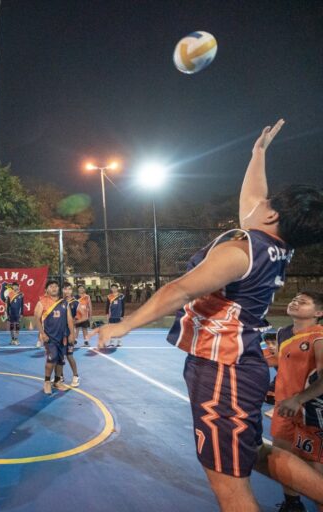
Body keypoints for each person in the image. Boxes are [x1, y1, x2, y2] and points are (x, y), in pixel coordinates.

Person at [93, 120, 323, 511]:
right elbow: (254, 198)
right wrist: (258, 154)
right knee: (253, 451)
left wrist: (124, 323)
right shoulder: (273, 244)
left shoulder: (240, 251)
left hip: (224, 372)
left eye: (269, 204)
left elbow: (179, 289)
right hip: (236, 366)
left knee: (228, 485)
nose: (259, 203)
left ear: (271, 218)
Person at [271, 291, 323, 512]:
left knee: (313, 466)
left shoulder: (319, 336)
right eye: (294, 299)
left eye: (303, 302)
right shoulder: (283, 333)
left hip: (310, 409)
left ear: (319, 313)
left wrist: (299, 398)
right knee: (282, 456)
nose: (295, 302)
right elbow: (283, 367)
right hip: (284, 406)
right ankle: (292, 505)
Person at [35, 280, 78, 394]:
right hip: (50, 338)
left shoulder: (64, 302)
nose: (54, 288)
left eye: (56, 286)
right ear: (47, 289)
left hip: (63, 337)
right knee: (51, 359)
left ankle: (57, 381)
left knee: (60, 360)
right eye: (51, 286)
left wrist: (72, 334)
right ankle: (47, 382)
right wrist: (42, 334)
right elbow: (37, 319)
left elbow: (69, 319)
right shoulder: (42, 302)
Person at [105, 283, 125, 348]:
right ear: (111, 289)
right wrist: (107, 314)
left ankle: (119, 342)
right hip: (111, 315)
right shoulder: (109, 296)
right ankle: (112, 342)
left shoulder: (121, 296)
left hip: (118, 315)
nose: (114, 289)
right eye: (112, 288)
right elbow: (107, 306)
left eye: (115, 288)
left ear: (117, 288)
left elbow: (123, 306)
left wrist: (122, 315)